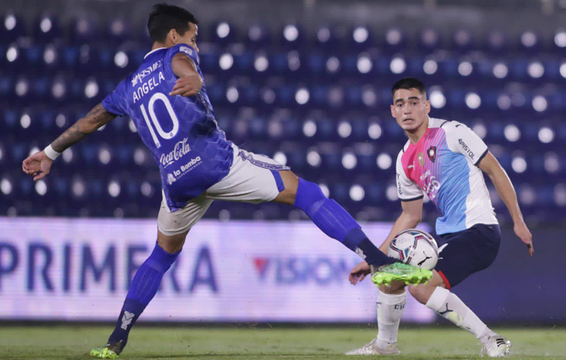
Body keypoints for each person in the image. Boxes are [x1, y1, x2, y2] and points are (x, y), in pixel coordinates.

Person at [21, 4, 428, 359]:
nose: (196, 47)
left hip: (176, 182)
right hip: (215, 162)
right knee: (306, 192)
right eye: (194, 38)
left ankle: (115, 340)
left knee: (162, 256)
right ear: (175, 34)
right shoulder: (176, 54)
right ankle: (379, 261)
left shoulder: (127, 88)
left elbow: (90, 121)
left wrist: (50, 152)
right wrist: (192, 77)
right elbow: (181, 63)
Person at [345, 77, 534, 357]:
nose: (407, 110)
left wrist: (518, 221)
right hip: (449, 235)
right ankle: (385, 345)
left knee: (420, 288)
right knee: (389, 277)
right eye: (400, 104)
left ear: (427, 106)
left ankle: (492, 339)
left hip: (479, 231)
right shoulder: (404, 160)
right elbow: (409, 215)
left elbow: (495, 170)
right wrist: (374, 257)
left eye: (413, 102)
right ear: (392, 111)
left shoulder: (453, 132)